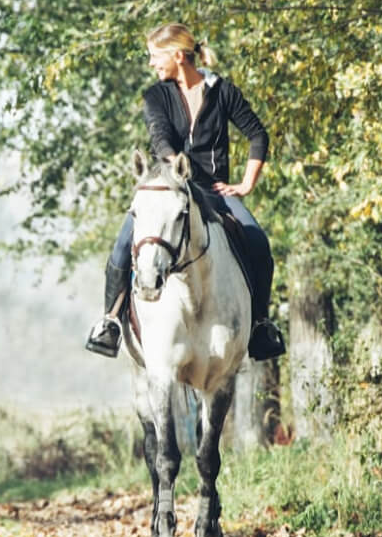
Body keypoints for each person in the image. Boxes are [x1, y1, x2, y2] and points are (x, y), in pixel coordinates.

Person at [85, 23, 282, 361]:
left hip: (216, 192)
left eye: (154, 56)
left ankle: (261, 325)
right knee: (122, 246)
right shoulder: (155, 96)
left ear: (178, 56)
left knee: (258, 241)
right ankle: (111, 322)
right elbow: (159, 136)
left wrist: (247, 183)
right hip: (171, 190)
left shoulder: (223, 91)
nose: (150, 64)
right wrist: (175, 161)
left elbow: (257, 135)